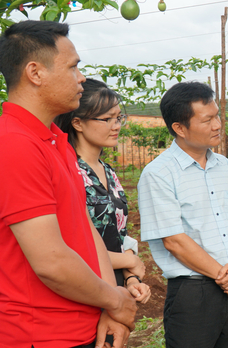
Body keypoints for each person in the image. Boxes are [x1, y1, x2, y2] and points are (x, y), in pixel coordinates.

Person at [0, 21, 137, 348]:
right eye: (73, 67)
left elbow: (87, 230)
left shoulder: (54, 141)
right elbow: (51, 261)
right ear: (35, 73)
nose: (81, 79)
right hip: (42, 334)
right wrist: (117, 301)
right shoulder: (15, 143)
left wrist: (110, 305)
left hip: (80, 326)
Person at [138, 81, 228, 348]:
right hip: (195, 292)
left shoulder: (225, 166)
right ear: (179, 128)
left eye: (217, 116)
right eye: (207, 119)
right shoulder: (158, 173)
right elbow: (174, 241)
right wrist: (227, 279)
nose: (217, 125)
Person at [55, 78, 151, 304]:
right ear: (77, 123)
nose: (116, 125)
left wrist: (131, 280)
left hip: (116, 289)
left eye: (118, 118)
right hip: (85, 288)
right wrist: (128, 262)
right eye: (107, 119)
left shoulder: (109, 172)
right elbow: (69, 248)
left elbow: (119, 235)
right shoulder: (69, 172)